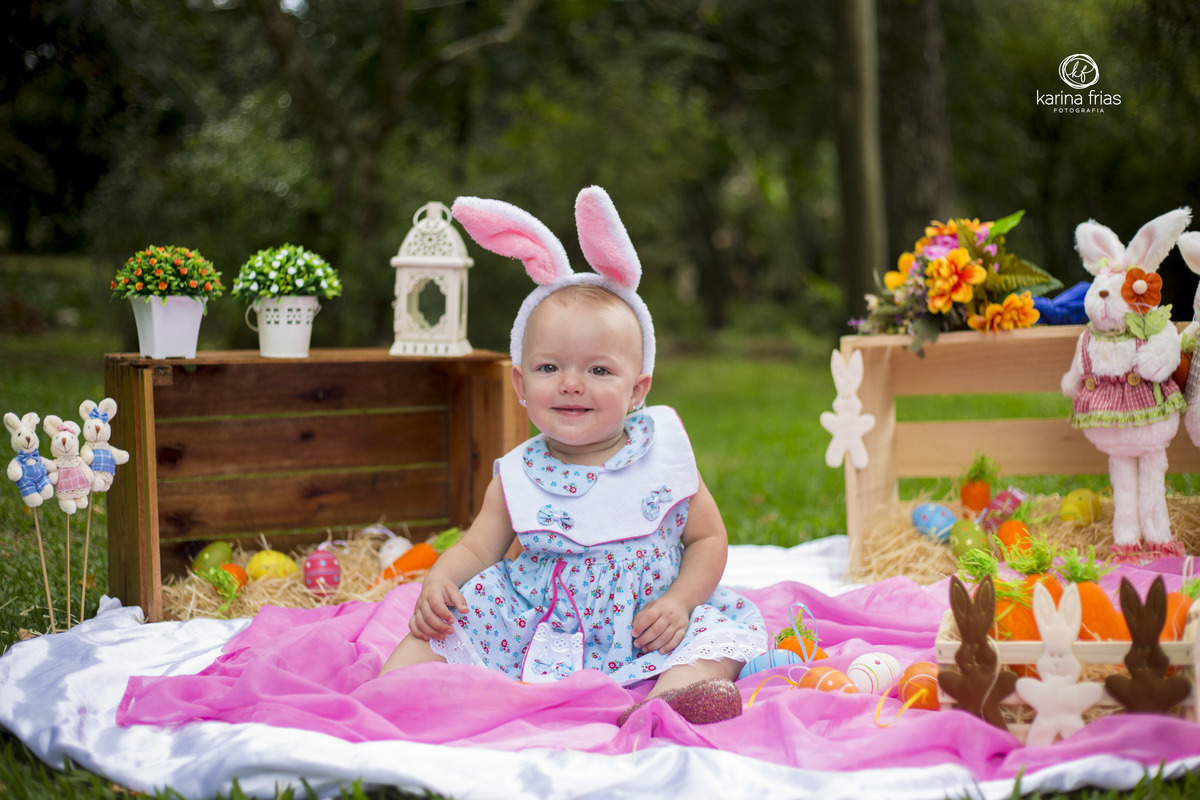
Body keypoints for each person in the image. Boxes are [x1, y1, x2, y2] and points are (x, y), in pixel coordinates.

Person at [378, 187, 768, 725]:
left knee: (716, 637)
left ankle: (669, 700)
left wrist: (680, 600)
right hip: (543, 619)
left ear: (638, 389)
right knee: (444, 632)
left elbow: (707, 537)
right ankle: (396, 692)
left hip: (648, 617)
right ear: (520, 382)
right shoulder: (519, 475)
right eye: (548, 368)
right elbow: (477, 550)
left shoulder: (663, 454)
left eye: (599, 370)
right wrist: (441, 580)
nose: (571, 384)